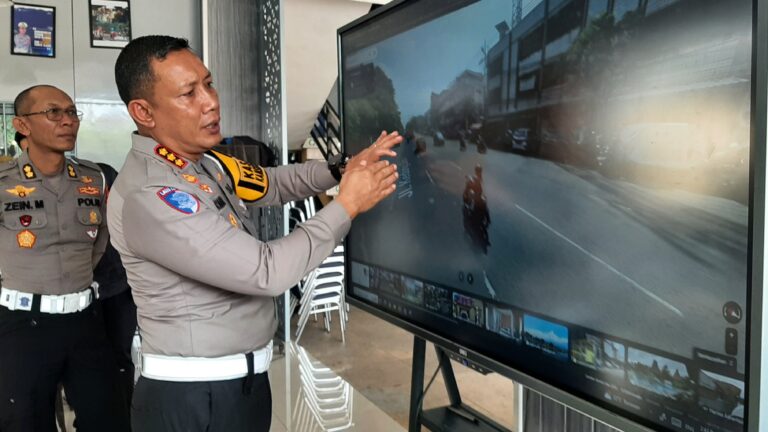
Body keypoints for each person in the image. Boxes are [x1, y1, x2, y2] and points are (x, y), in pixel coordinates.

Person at [108, 35, 401, 432]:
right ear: (144, 111)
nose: (210, 101)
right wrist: (346, 205)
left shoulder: (203, 162)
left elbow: (271, 183)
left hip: (237, 386)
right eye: (188, 94)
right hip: (193, 399)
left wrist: (339, 169)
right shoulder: (153, 194)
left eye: (208, 84)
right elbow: (267, 272)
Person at [0, 85, 128, 431]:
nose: (68, 121)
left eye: (72, 112)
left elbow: (101, 242)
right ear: (22, 125)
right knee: (22, 422)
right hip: (22, 323)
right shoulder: (3, 182)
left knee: (108, 419)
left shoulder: (94, 178)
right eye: (54, 112)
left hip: (85, 320)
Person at [93, 162, 137, 420]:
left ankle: (123, 417)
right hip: (83, 290)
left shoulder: (105, 177)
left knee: (120, 357)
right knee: (91, 359)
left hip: (118, 286)